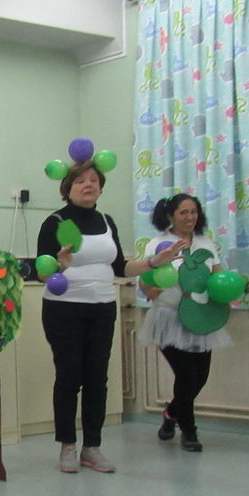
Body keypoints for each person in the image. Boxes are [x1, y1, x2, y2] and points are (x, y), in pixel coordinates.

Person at [37, 161, 186, 474]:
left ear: (100, 187)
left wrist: (154, 262)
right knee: (69, 377)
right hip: (64, 309)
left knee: (97, 378)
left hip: (102, 307)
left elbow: (120, 268)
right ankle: (67, 445)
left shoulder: (106, 221)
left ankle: (92, 447)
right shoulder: (54, 222)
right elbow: (41, 272)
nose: (88, 184)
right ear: (68, 188)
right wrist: (60, 264)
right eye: (80, 180)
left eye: (93, 180)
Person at [139, 194, 249, 451]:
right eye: (183, 212)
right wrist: (149, 289)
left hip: (200, 316)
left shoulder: (205, 244)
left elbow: (220, 282)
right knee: (186, 375)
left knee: (200, 377)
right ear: (170, 215)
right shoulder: (158, 243)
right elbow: (146, 277)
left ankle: (171, 414)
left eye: (194, 212)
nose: (190, 217)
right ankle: (189, 432)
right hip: (168, 318)